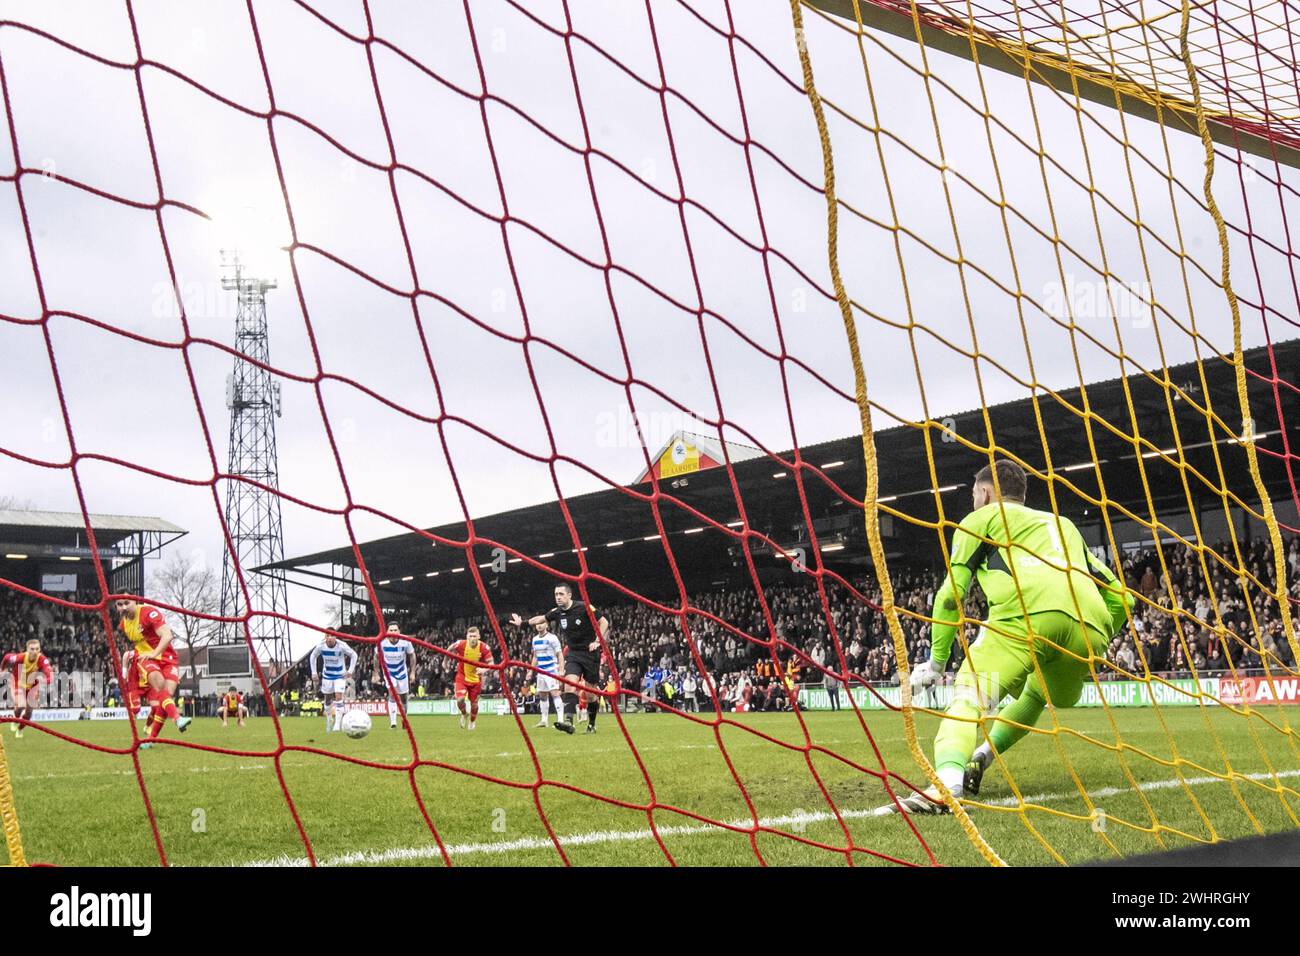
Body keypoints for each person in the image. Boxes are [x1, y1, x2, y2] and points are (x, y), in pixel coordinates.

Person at [877, 460, 1131, 815]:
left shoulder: (979, 521)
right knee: (1038, 693)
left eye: (973, 496)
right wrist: (1098, 639)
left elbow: (951, 596)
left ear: (985, 493)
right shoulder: (1064, 526)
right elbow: (1122, 597)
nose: (973, 502)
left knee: (968, 697)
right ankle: (983, 754)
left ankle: (945, 790)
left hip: (1024, 620)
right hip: (1087, 628)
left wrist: (936, 662)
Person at [510, 584, 609, 735]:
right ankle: (568, 722)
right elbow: (541, 618)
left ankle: (592, 724)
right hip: (573, 653)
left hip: (590, 654)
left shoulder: (584, 607)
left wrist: (597, 641)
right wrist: (522, 623)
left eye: (561, 594)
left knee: (590, 695)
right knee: (569, 686)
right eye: (556, 594)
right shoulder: (557, 612)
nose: (558, 597)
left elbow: (604, 622)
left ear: (569, 595)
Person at [113, 598, 192, 747]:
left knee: (164, 699)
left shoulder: (148, 613)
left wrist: (155, 653)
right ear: (116, 607)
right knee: (160, 687)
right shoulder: (123, 625)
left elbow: (167, 636)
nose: (123, 607)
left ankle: (150, 739)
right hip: (146, 659)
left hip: (167, 658)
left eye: (126, 603)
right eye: (119, 604)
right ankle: (177, 718)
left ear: (135, 601)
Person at [2, 638, 53, 738]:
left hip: (32, 686)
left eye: (37, 649)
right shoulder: (20, 657)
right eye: (32, 649)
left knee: (29, 713)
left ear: (40, 649)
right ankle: (15, 718)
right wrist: (2, 669)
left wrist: (45, 681)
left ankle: (20, 729)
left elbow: (49, 675)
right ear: (27, 649)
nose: (35, 651)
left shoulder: (42, 660)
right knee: (20, 706)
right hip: (18, 684)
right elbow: (7, 657)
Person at [447, 626, 494, 730]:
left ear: (479, 636)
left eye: (474, 636)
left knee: (474, 704)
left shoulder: (484, 647)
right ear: (467, 637)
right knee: (459, 700)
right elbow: (449, 649)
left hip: (476, 680)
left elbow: (491, 663)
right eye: (470, 636)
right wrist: (445, 662)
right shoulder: (461, 644)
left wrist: (483, 670)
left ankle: (472, 722)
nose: (472, 638)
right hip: (462, 677)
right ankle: (464, 714)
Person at [309, 633, 357, 733]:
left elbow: (354, 655)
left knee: (339, 697)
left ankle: (337, 724)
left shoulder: (342, 645)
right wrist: (314, 672)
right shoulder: (320, 646)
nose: (330, 638)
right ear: (325, 637)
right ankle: (329, 718)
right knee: (327, 699)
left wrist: (350, 671)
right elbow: (313, 656)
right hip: (327, 676)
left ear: (336, 637)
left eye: (332, 636)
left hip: (340, 675)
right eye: (327, 636)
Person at [374, 623, 416, 730]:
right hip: (389, 672)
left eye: (395, 630)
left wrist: (412, 672)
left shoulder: (405, 641)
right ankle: (393, 723)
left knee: (404, 698)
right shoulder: (382, 642)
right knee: (392, 695)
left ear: (399, 631)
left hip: (402, 672)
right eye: (391, 630)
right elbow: (376, 656)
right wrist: (376, 673)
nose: (393, 632)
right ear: (387, 632)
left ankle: (404, 719)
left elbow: (412, 655)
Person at [525, 620, 564, 728]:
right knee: (542, 695)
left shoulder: (552, 638)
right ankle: (544, 720)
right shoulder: (535, 639)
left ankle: (560, 720)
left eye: (541, 623)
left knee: (555, 693)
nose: (539, 625)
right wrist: (531, 670)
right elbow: (535, 656)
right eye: (537, 624)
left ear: (547, 625)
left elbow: (559, 654)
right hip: (541, 671)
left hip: (551, 670)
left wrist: (561, 669)